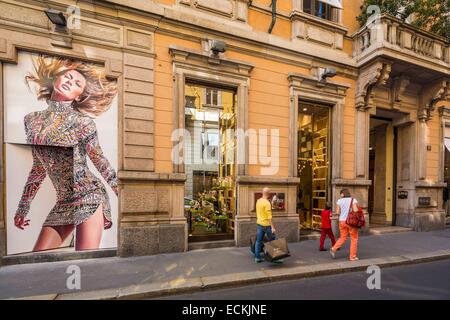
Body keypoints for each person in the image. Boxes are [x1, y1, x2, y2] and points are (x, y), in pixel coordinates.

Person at [14, 55, 118, 252]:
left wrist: (123, 191)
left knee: (86, 261)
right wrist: (23, 207)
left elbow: (100, 161)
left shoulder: (83, 123)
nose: (70, 82)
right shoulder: (31, 120)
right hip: (63, 202)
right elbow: (38, 167)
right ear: (56, 79)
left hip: (89, 196)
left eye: (77, 83)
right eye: (67, 77)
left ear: (79, 96)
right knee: (38, 257)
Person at [330, 189, 360, 261]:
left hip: (342, 221)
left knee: (343, 237)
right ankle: (352, 256)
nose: (340, 195)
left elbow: (337, 212)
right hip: (351, 222)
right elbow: (356, 210)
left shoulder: (339, 201)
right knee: (354, 239)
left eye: (341, 194)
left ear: (343, 194)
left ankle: (333, 248)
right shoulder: (353, 200)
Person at [254, 187, 282, 264]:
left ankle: (257, 257)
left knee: (258, 241)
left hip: (259, 223)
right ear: (269, 194)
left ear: (262, 193)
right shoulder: (267, 203)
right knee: (273, 241)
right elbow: (269, 217)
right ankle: (275, 258)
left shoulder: (258, 201)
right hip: (266, 225)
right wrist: (273, 227)